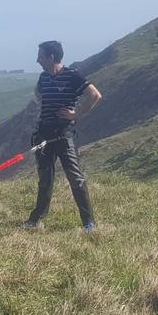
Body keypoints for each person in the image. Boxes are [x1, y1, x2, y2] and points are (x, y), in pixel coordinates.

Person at [24, 41, 101, 232]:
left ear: (51, 57)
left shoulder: (72, 75)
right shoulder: (43, 77)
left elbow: (95, 95)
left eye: (40, 56)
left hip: (64, 134)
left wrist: (76, 114)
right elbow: (38, 93)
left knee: (75, 177)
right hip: (43, 133)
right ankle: (37, 218)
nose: (37, 60)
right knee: (45, 178)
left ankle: (88, 221)